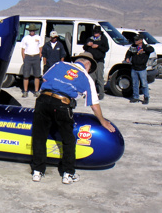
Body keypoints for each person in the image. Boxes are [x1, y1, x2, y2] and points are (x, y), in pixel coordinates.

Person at [30, 52, 116, 184]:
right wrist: (102, 121)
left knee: (39, 137)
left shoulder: (59, 64)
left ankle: (37, 171)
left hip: (43, 100)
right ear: (87, 64)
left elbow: (45, 79)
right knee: (68, 140)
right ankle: (68, 173)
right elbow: (94, 104)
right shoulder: (86, 78)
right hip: (62, 104)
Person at [125, 34, 154, 104]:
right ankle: (135, 97)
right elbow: (128, 53)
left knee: (144, 84)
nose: (135, 41)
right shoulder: (133, 47)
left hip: (142, 69)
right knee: (135, 83)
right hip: (134, 68)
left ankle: (146, 97)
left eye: (137, 40)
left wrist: (143, 49)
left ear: (141, 40)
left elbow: (151, 49)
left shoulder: (146, 47)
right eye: (135, 40)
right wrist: (127, 58)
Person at [83, 26, 110, 100]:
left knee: (99, 78)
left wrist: (98, 46)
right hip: (91, 61)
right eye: (95, 32)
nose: (96, 33)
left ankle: (101, 94)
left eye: (97, 32)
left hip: (99, 61)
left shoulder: (103, 39)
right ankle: (90, 93)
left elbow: (106, 49)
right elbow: (84, 47)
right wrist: (87, 45)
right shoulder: (90, 38)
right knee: (91, 78)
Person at [21, 23, 43, 98]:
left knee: (37, 75)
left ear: (35, 31)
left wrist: (39, 56)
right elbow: (23, 49)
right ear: (29, 31)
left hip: (36, 56)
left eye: (33, 30)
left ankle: (36, 91)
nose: (32, 32)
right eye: (31, 31)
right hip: (28, 56)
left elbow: (40, 48)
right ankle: (25, 91)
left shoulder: (38, 37)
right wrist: (24, 58)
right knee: (26, 75)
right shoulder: (25, 38)